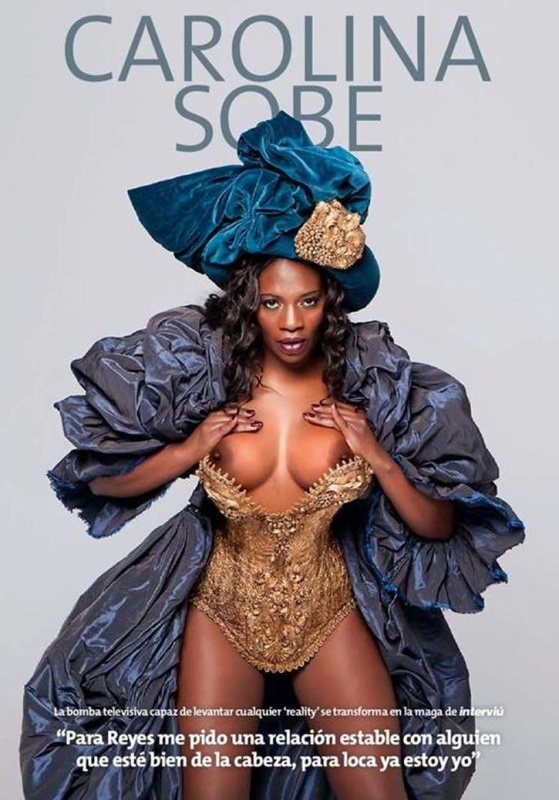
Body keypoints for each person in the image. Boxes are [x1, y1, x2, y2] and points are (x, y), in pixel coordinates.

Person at [20, 112, 524, 800]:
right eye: (272, 302)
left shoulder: (372, 389)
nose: (290, 321)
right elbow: (105, 484)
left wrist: (375, 454)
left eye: (307, 301)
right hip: (219, 611)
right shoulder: (202, 377)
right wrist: (190, 449)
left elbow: (436, 529)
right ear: (248, 304)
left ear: (329, 301)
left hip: (330, 609)